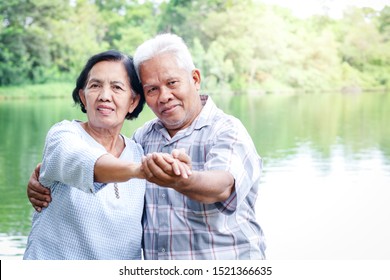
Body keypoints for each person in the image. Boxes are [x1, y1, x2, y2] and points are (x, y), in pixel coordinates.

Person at [27, 33, 266, 260]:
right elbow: (82, 160)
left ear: (195, 79)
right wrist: (47, 175)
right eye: (152, 89)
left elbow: (222, 187)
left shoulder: (227, 130)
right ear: (83, 96)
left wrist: (178, 178)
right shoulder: (143, 140)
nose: (164, 96)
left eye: (172, 83)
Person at [23, 50, 187, 260]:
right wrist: (141, 170)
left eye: (117, 87)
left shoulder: (138, 151)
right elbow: (82, 160)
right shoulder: (63, 135)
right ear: (83, 96)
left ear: (133, 102)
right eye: (95, 86)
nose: (104, 96)